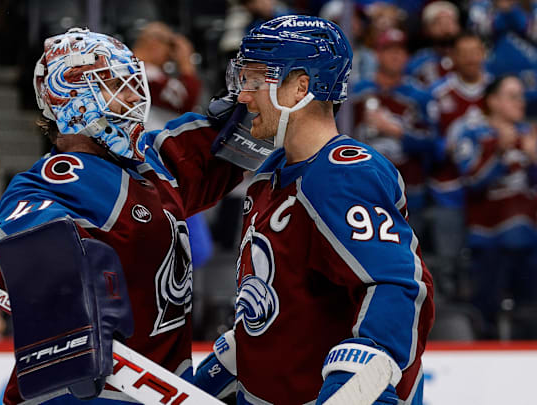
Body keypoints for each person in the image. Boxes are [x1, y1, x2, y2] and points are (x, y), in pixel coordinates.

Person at [0, 28, 245, 404]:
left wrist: (257, 94)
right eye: (115, 86)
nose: (134, 98)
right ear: (72, 100)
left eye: (132, 85)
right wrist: (71, 277)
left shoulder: (155, 163)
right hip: (83, 395)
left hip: (158, 388)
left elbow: (241, 141)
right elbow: (27, 250)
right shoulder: (54, 179)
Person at [193, 15, 434, 405]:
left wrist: (357, 385)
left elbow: (397, 286)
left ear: (301, 87)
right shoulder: (268, 173)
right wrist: (216, 376)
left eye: (256, 81)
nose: (242, 96)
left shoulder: (344, 173)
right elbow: (279, 309)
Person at [453, 75, 537, 339]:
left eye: (522, 96)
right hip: (489, 243)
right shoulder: (474, 134)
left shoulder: (529, 136)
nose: (520, 102)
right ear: (493, 101)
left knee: (530, 315)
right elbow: (472, 181)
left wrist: (534, 159)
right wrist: (498, 153)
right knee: (485, 318)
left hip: (529, 243)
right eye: (513, 96)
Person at [352, 28, 437, 241]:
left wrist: (397, 131)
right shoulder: (357, 92)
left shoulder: (420, 95)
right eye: (389, 50)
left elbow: (432, 142)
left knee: (408, 256)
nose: (396, 55)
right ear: (377, 54)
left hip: (408, 189)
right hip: (364, 188)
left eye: (400, 50)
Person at [427, 32, 492, 297]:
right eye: (463, 53)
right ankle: (449, 306)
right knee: (448, 257)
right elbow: (428, 145)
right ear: (452, 57)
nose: (470, 59)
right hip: (449, 189)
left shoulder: (496, 90)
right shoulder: (439, 93)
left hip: (489, 187)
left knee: (485, 259)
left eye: (474, 52)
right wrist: (446, 146)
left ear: (483, 54)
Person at [405, 1, 461, 89]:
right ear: (426, 29)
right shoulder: (418, 61)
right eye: (438, 23)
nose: (445, 28)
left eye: (450, 21)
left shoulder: (469, 57)